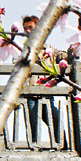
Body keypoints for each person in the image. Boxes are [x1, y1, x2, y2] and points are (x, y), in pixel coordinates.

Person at [22, 15, 62, 144]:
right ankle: (35, 147)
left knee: (55, 121)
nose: (28, 31)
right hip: (31, 93)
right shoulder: (24, 50)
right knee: (33, 126)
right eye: (25, 28)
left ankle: (62, 145)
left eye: (31, 27)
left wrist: (68, 56)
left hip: (47, 94)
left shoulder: (49, 48)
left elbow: (60, 56)